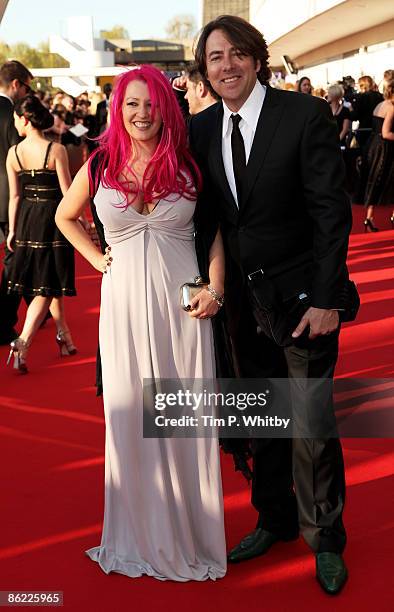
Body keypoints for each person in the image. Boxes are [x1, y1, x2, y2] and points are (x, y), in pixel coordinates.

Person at [190, 15, 353, 595]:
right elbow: (206, 218)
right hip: (240, 303)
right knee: (262, 419)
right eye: (215, 57)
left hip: (305, 299)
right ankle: (275, 519)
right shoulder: (201, 128)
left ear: (257, 59)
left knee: (310, 421)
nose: (227, 65)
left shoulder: (302, 115)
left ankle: (325, 537)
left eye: (237, 53)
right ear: (203, 70)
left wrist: (330, 298)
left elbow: (331, 215)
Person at [55, 65, 227, 581]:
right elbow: (66, 216)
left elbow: (215, 232)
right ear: (118, 109)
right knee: (132, 416)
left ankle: (188, 533)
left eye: (150, 103)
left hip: (182, 307)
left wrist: (215, 290)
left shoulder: (191, 164)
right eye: (131, 104)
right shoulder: (101, 161)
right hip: (125, 304)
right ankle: (138, 532)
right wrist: (96, 258)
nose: (142, 113)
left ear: (165, 108)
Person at [5, 95, 77, 373]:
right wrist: (80, 222)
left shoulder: (13, 153)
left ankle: (64, 335)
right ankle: (22, 343)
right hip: (53, 219)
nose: (14, 123)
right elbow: (68, 192)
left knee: (48, 280)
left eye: (15, 119)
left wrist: (13, 230)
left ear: (24, 120)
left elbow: (14, 196)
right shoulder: (55, 150)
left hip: (26, 219)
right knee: (47, 285)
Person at [0, 60, 33, 344]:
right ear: (15, 84)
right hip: (10, 196)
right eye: (26, 88)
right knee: (14, 259)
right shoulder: (10, 112)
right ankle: (3, 321)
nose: (27, 95)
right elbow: (18, 155)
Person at [362, 79, 394, 231]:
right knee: (381, 180)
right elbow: (386, 133)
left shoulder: (379, 105)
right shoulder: (391, 108)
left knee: (375, 181)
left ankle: (369, 218)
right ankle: (370, 218)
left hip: (373, 145)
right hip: (384, 149)